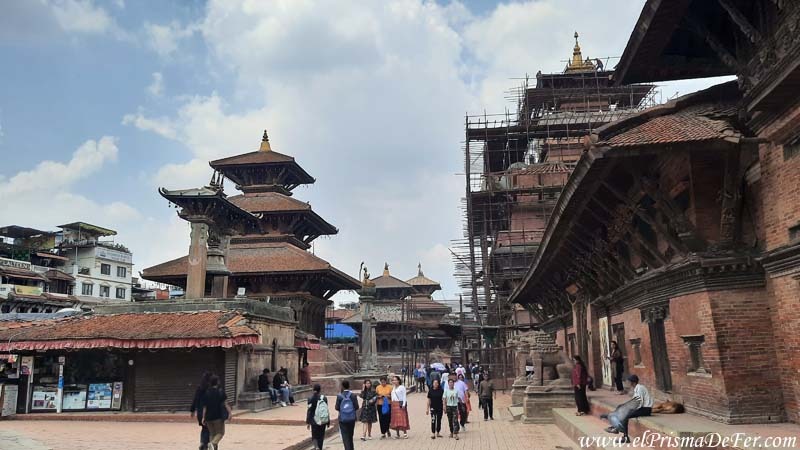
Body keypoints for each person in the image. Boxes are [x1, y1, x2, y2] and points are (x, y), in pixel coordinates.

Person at [605, 375, 653, 443]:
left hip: (645, 409)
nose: (628, 383)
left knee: (625, 415)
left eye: (629, 382)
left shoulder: (640, 388)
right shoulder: (637, 388)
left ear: (633, 382)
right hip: (641, 408)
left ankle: (625, 437)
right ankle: (616, 427)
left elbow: (639, 403)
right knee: (620, 407)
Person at [201, 375, 231, 450]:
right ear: (217, 382)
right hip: (218, 417)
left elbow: (205, 407)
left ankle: (211, 447)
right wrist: (230, 413)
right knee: (220, 433)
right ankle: (212, 444)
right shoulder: (220, 392)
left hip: (208, 417)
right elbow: (226, 404)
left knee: (212, 433)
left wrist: (203, 417)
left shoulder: (206, 393)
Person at [336, 380, 360, 450]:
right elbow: (357, 407)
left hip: (342, 419)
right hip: (352, 418)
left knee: (345, 436)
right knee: (350, 435)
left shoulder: (339, 396)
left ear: (342, 386)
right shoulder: (353, 395)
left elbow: (337, 407)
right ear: (349, 386)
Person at [190, 371, 211, 450]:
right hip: (208, 412)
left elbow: (195, 399)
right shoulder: (211, 388)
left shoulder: (199, 388)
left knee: (204, 428)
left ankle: (202, 443)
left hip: (200, 413)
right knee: (209, 429)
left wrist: (192, 410)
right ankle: (206, 444)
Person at [306, 384, 329, 450]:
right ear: (320, 390)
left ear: (313, 390)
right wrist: (328, 421)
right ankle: (320, 447)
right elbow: (326, 409)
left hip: (314, 420)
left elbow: (309, 411)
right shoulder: (324, 398)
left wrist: (308, 422)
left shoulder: (310, 398)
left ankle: (316, 447)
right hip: (322, 419)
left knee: (314, 435)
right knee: (321, 436)